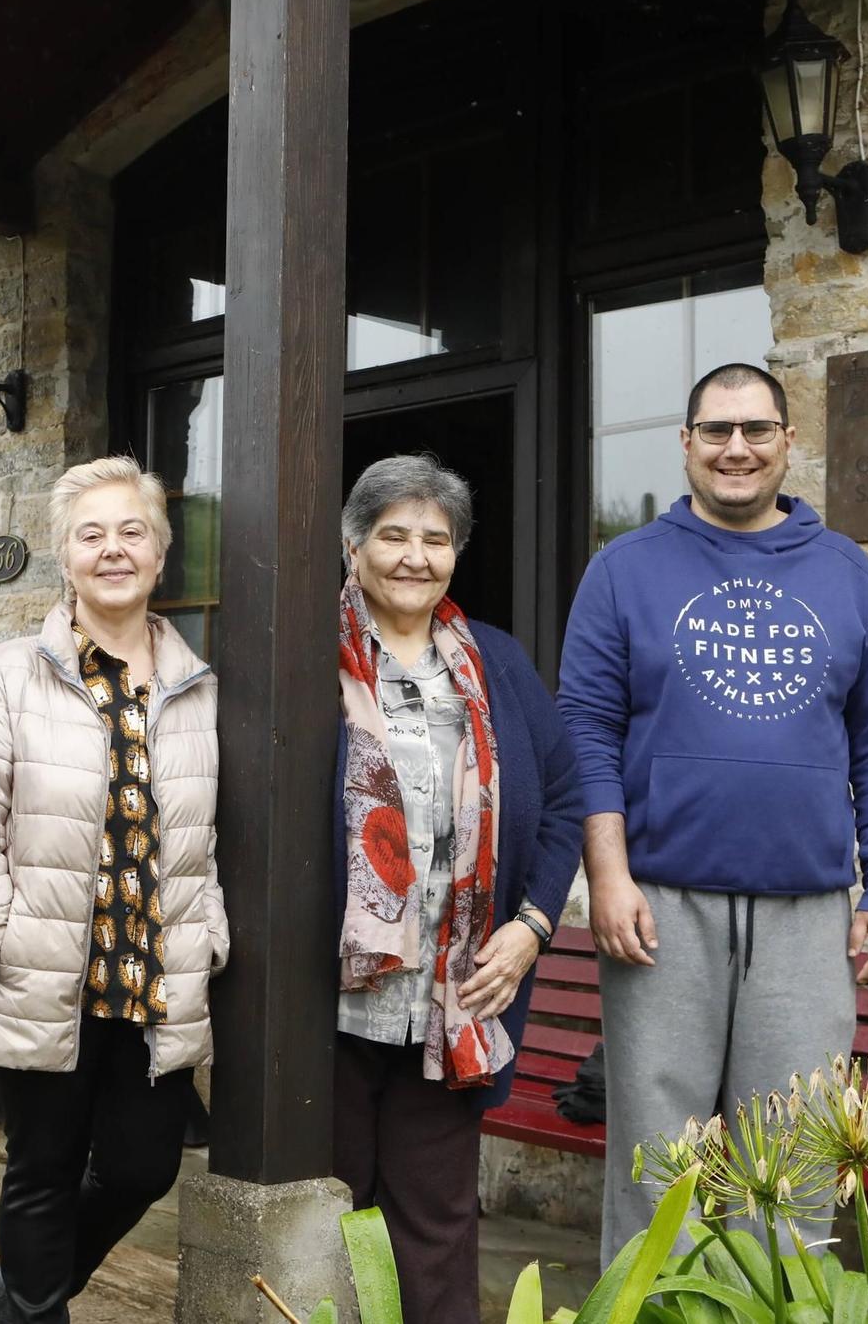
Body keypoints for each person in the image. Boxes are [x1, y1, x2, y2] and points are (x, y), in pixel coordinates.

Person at [555, 362, 868, 1264]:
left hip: (806, 912)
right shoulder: (623, 571)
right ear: (686, 444)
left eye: (756, 429)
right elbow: (585, 732)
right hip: (659, 907)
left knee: (793, 1162)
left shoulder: (849, 576)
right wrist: (607, 873)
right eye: (717, 430)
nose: (737, 448)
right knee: (659, 1167)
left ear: (788, 443)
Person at [0, 455, 228, 1324]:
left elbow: (216, 838)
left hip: (153, 976)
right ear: (65, 555)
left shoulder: (202, 688)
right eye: (91, 534)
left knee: (145, 1167)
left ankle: (16, 1294)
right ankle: (32, 1307)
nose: (112, 549)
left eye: (131, 531)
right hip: (44, 968)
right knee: (42, 1169)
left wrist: (206, 929)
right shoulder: (12, 675)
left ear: (161, 554)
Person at [332, 454, 584, 1324]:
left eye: (435, 539)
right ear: (353, 544)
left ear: (456, 554)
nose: (414, 555)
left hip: (456, 995)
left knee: (437, 1226)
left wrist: (531, 927)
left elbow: (564, 800)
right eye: (393, 534)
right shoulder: (303, 658)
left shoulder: (498, 665)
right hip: (326, 998)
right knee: (331, 1210)